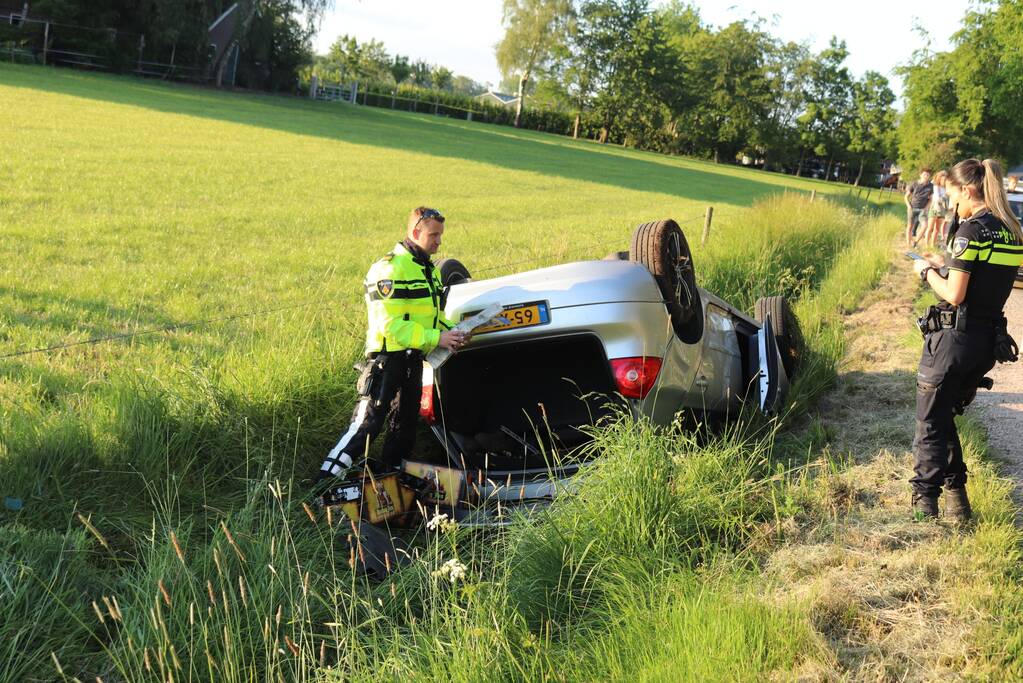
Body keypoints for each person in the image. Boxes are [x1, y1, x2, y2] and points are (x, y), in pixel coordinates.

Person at [315, 207, 469, 487]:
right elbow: (390, 325)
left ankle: (392, 485)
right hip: (387, 360)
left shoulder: (428, 270)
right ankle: (322, 485)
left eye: (440, 235)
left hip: (413, 361)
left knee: (404, 426)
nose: (439, 241)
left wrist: (453, 333)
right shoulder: (388, 268)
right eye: (434, 235)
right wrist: (437, 339)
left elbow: (433, 317)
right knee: (366, 424)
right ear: (415, 232)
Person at [910, 158, 1022, 521]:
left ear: (968, 190)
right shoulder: (1010, 230)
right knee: (943, 417)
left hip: (953, 342)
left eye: (953, 194)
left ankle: (924, 507)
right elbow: (984, 281)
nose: (951, 201)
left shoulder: (970, 231)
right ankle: (958, 503)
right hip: (985, 343)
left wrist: (927, 272)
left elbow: (955, 295)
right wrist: (946, 266)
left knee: (930, 424)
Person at [905, 167, 933, 247]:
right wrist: (908, 206)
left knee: (925, 225)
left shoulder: (931, 186)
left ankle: (915, 241)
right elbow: (906, 196)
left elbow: (930, 199)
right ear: (920, 175)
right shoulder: (914, 184)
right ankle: (908, 244)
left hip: (922, 210)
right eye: (924, 174)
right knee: (910, 226)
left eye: (928, 175)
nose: (926, 176)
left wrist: (926, 208)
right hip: (912, 208)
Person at [924, 170, 949, 246]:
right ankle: (926, 244)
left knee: (937, 229)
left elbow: (945, 198)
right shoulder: (936, 186)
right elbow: (937, 198)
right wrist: (944, 198)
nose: (944, 181)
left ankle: (932, 244)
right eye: (942, 179)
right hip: (935, 208)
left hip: (942, 209)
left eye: (945, 179)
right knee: (930, 227)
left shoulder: (946, 188)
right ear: (939, 179)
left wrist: (943, 198)